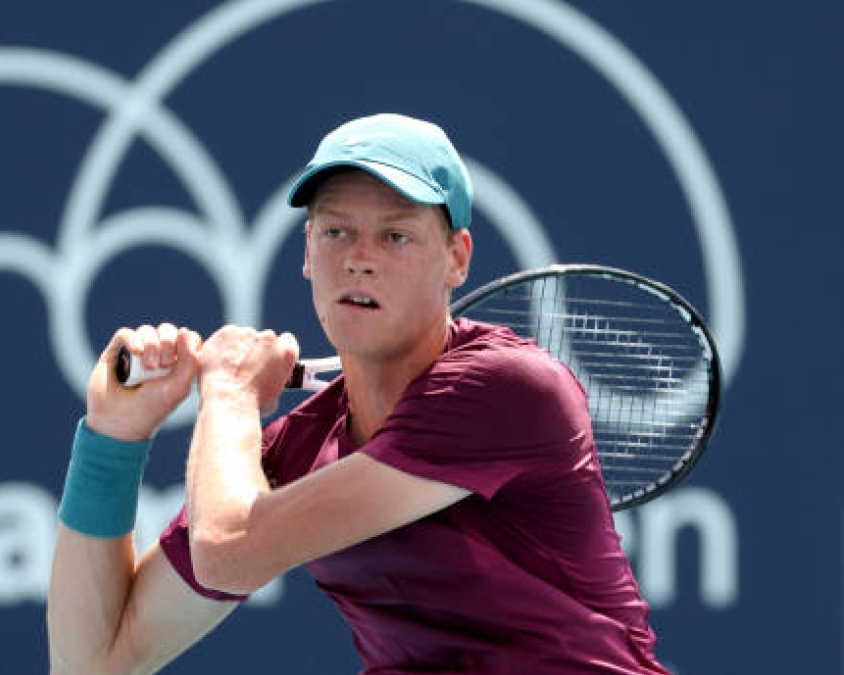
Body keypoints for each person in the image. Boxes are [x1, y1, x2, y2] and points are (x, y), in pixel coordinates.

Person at [47, 113, 670, 675]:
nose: (359, 260)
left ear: (457, 258)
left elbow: (228, 553)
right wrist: (113, 439)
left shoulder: (508, 389)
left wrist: (230, 392)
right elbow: (97, 663)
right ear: (307, 254)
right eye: (336, 233)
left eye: (395, 236)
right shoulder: (300, 446)